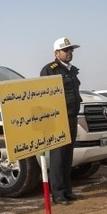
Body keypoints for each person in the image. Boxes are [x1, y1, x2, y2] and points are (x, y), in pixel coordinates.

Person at [40, 37, 82, 204]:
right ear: (56, 53)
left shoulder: (72, 70)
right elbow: (44, 96)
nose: (70, 53)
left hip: (71, 116)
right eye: (66, 50)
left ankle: (67, 190)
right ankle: (57, 193)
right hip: (58, 118)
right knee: (57, 157)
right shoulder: (49, 70)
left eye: (71, 50)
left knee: (67, 156)